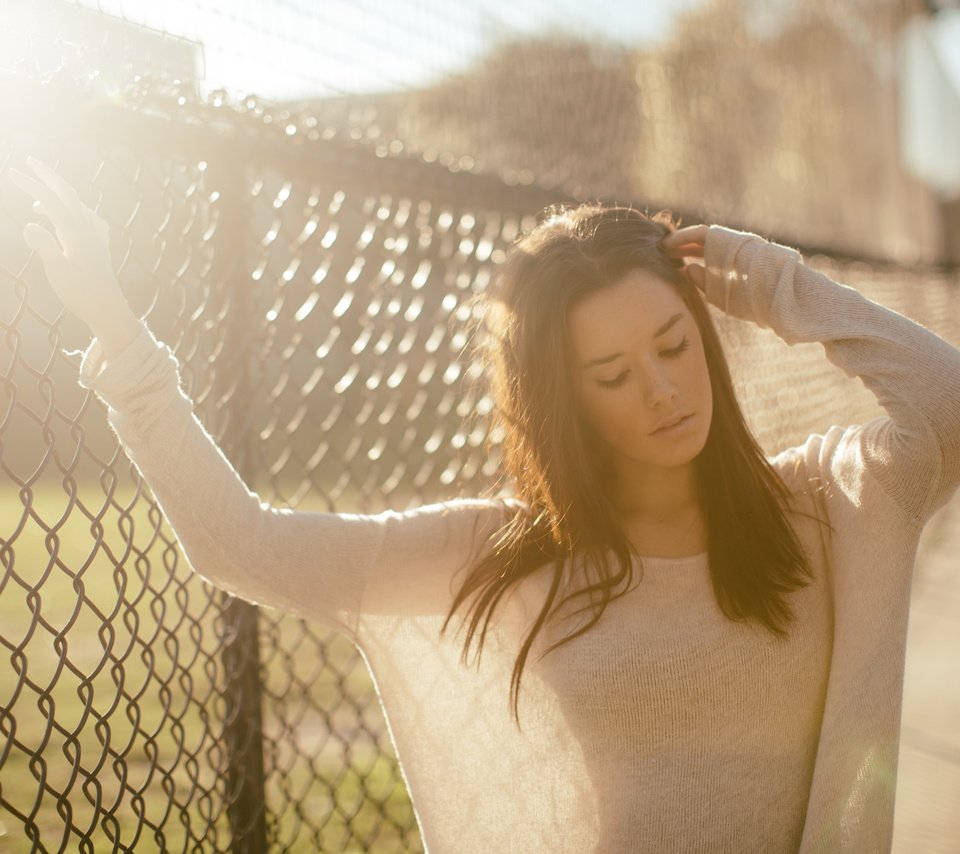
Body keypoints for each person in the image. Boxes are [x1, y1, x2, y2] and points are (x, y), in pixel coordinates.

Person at [10, 156, 960, 853]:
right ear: (564, 400)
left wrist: (771, 281)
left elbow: (945, 405)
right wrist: (118, 333)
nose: (664, 391)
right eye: (613, 373)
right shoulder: (511, 554)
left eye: (675, 345)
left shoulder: (827, 503)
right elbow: (240, 543)